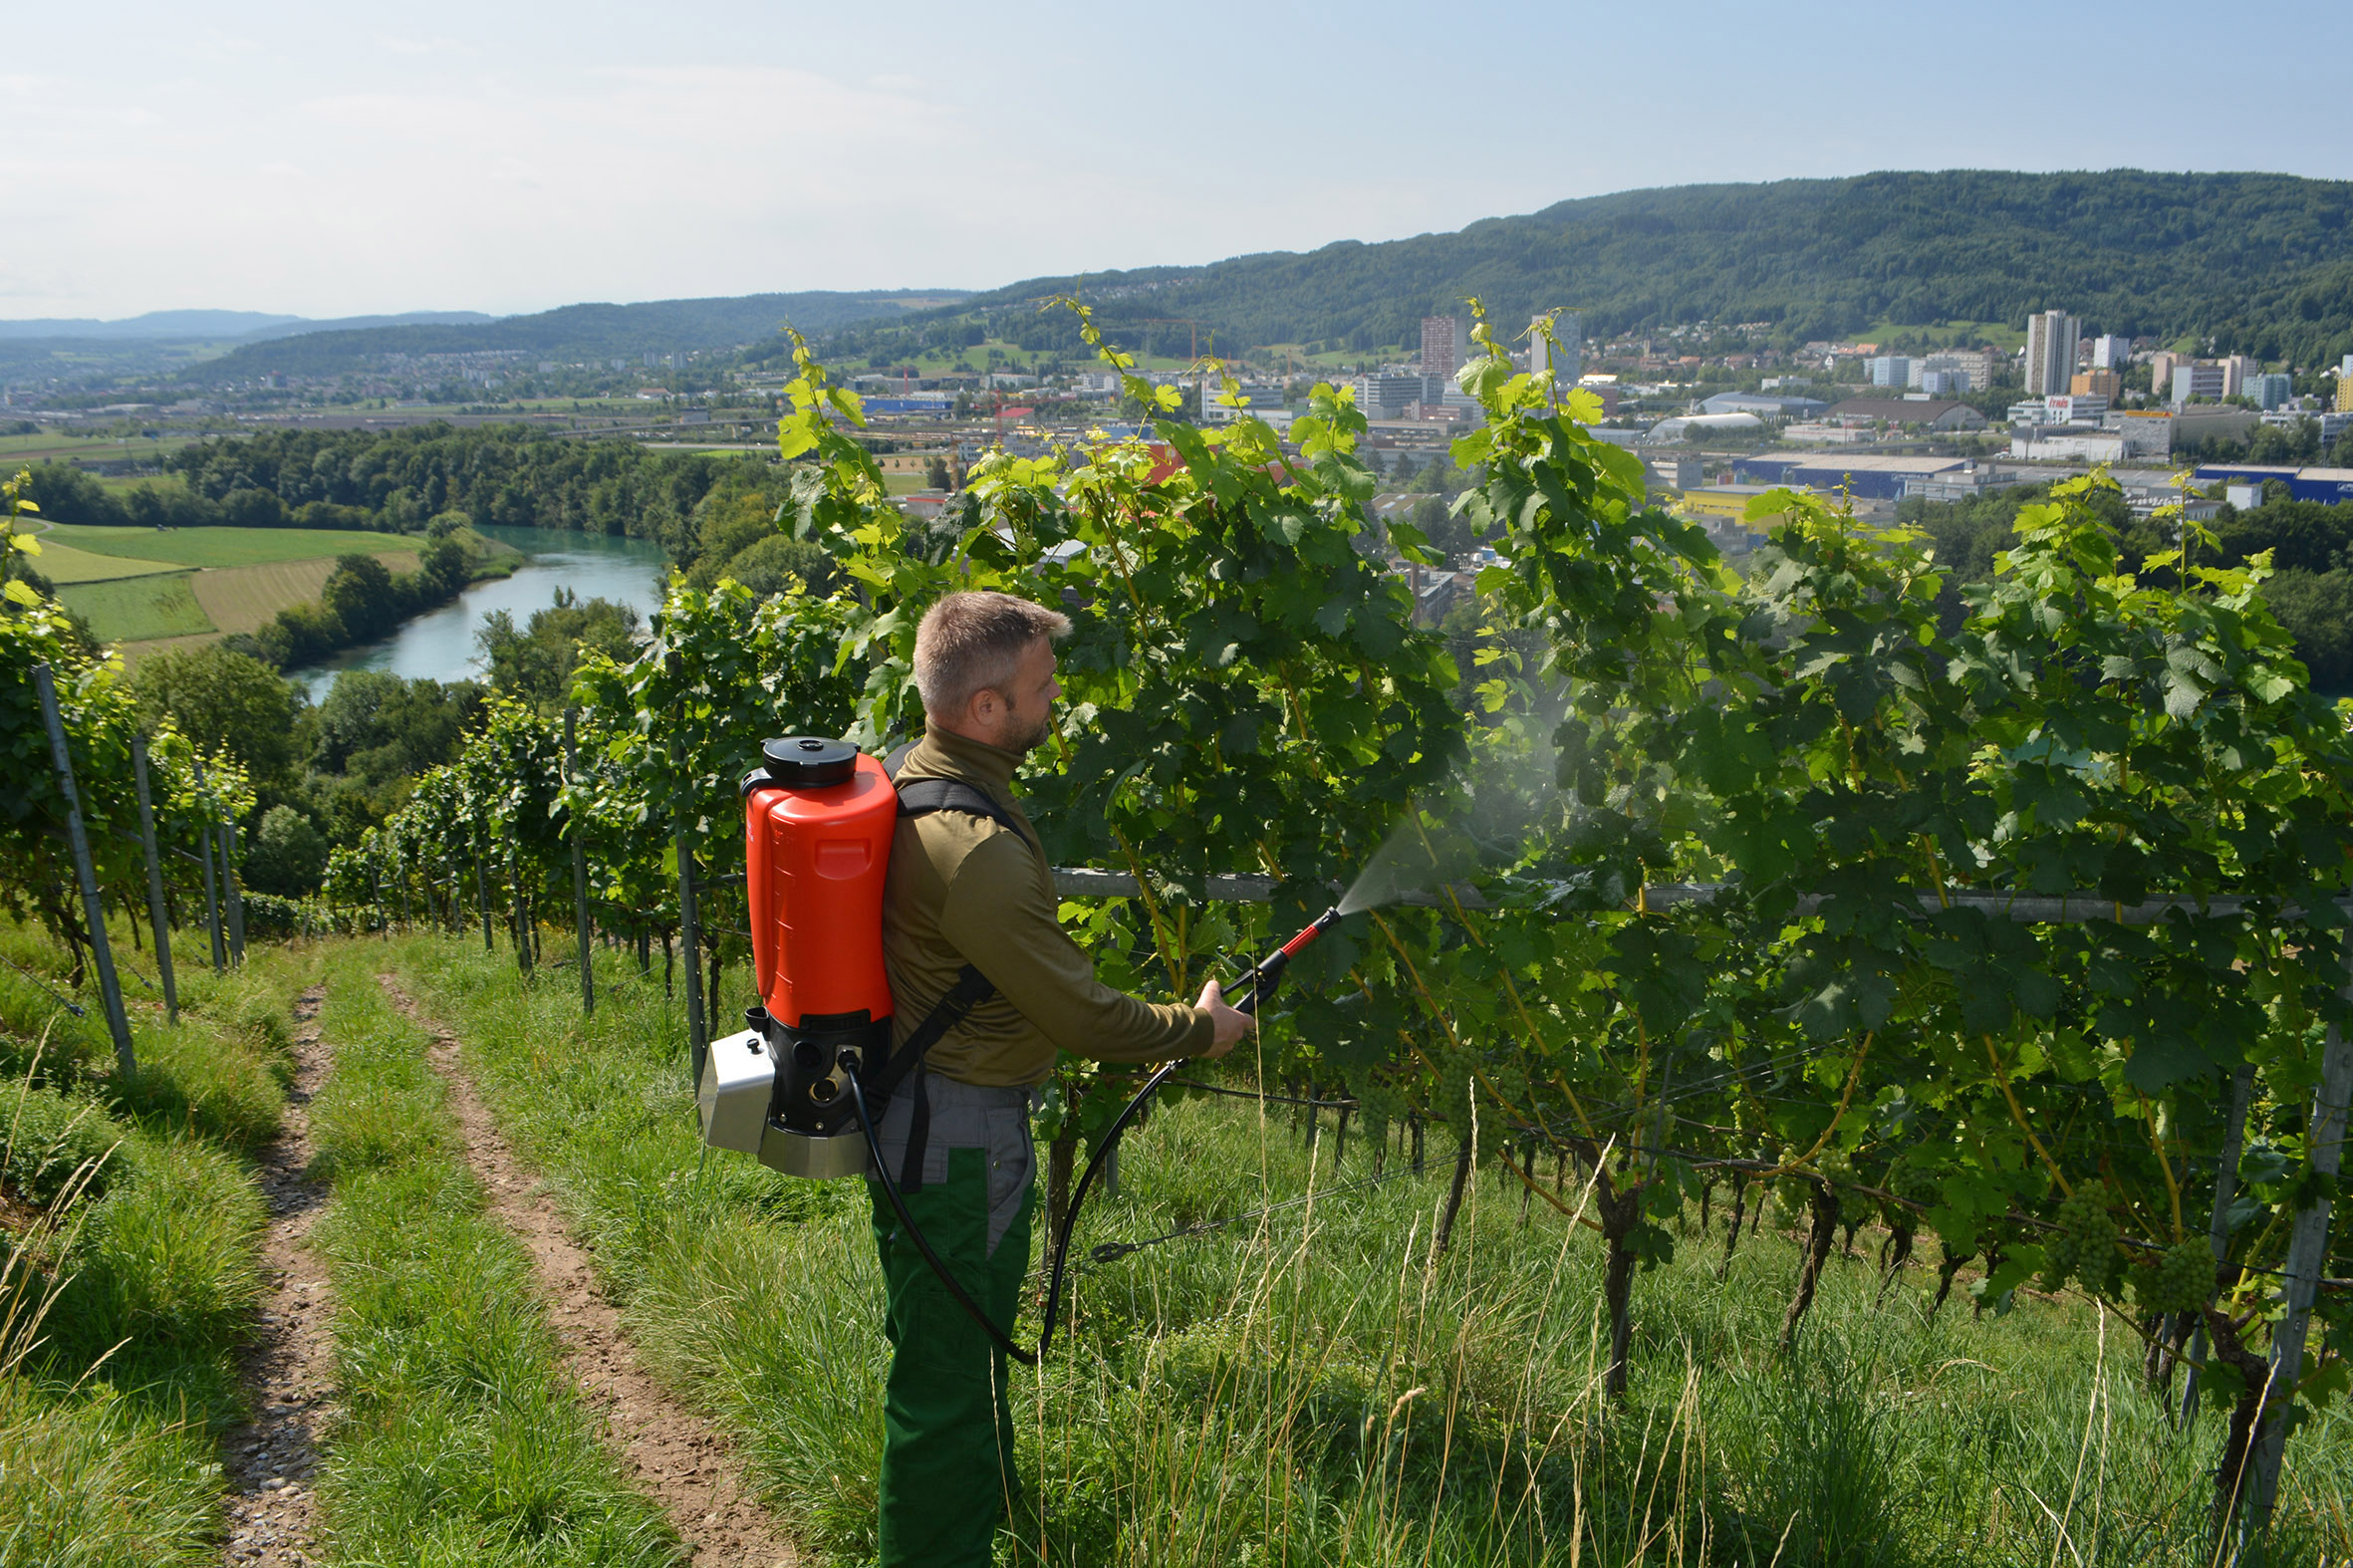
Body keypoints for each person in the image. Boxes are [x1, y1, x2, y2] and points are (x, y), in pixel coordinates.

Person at [870, 589, 1251, 1566]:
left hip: (927, 1124)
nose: (1057, 701)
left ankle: (970, 1531)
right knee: (947, 1390)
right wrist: (1196, 1029)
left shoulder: (921, 772)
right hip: (957, 1143)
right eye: (1042, 686)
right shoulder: (977, 850)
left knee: (955, 1364)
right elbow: (1079, 1015)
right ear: (986, 706)